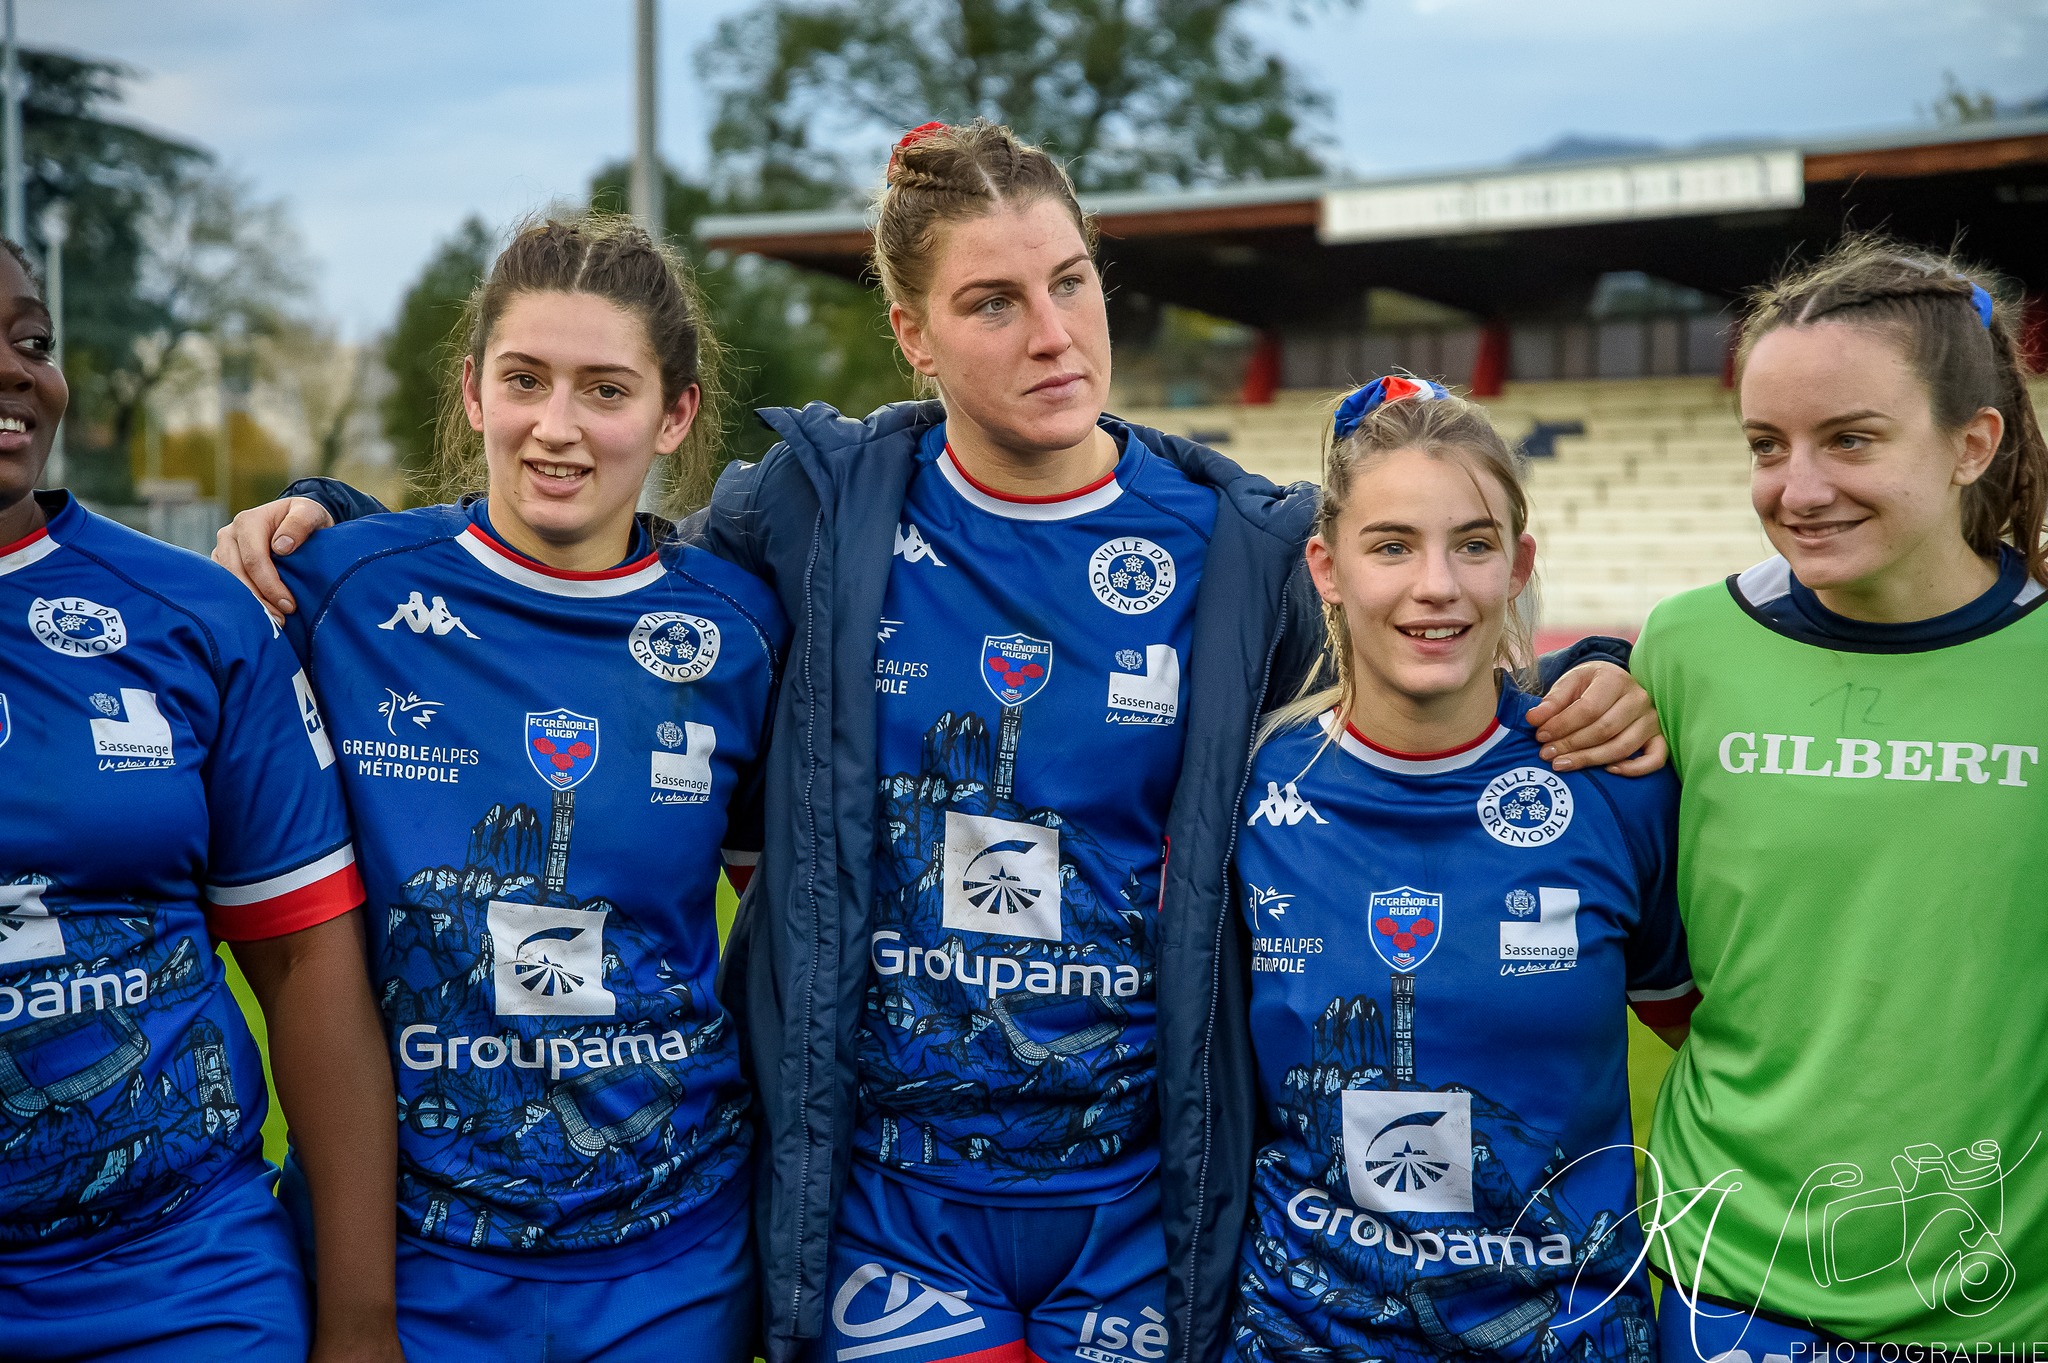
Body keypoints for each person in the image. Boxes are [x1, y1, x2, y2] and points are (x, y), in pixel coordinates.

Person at [214, 122, 1662, 1363]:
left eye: (1071, 282)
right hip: (890, 1200)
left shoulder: (1240, 549)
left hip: (1133, 1205)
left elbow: (1417, 655)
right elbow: (595, 574)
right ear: (911, 335)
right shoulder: (815, 515)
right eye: (991, 301)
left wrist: (1591, 674)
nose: (1050, 332)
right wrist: (329, 529)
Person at [224, 215, 784, 1362]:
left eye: (606, 389)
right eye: (525, 379)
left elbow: (782, 934)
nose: (558, 426)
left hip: (671, 1257)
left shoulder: (738, 634)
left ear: (673, 415)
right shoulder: (333, 591)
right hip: (412, 1259)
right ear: (474, 390)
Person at [1631, 236, 2048, 1355]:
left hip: (1993, 1311)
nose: (1796, 487)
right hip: (1716, 1286)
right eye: (1765, 444)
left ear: (1971, 443)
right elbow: (1648, 940)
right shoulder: (1681, 648)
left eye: (1849, 439)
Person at [1225, 377, 1695, 1362]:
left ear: (1516, 564)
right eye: (1390, 545)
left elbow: (1708, 1042)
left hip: (1568, 1333)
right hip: (1303, 1335)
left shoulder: (1613, 781)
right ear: (1326, 568)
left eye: (1472, 545)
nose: (1434, 584)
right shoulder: (1243, 790)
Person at [0, 238, 400, 1362]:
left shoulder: (193, 618)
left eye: (33, 342)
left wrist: (361, 1320)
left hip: (180, 1282)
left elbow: (306, 964)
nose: (19, 371)